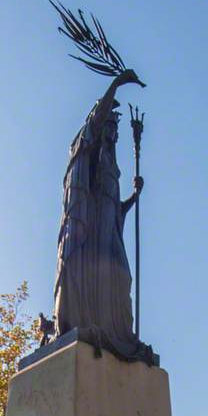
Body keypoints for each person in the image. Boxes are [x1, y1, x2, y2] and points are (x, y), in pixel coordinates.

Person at [53, 68, 154, 363]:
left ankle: (119, 333)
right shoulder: (90, 149)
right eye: (110, 127)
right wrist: (117, 85)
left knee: (123, 277)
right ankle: (93, 326)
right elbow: (95, 121)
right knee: (109, 276)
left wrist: (133, 197)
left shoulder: (111, 160)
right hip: (93, 234)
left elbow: (115, 210)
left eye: (115, 130)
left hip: (111, 233)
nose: (112, 133)